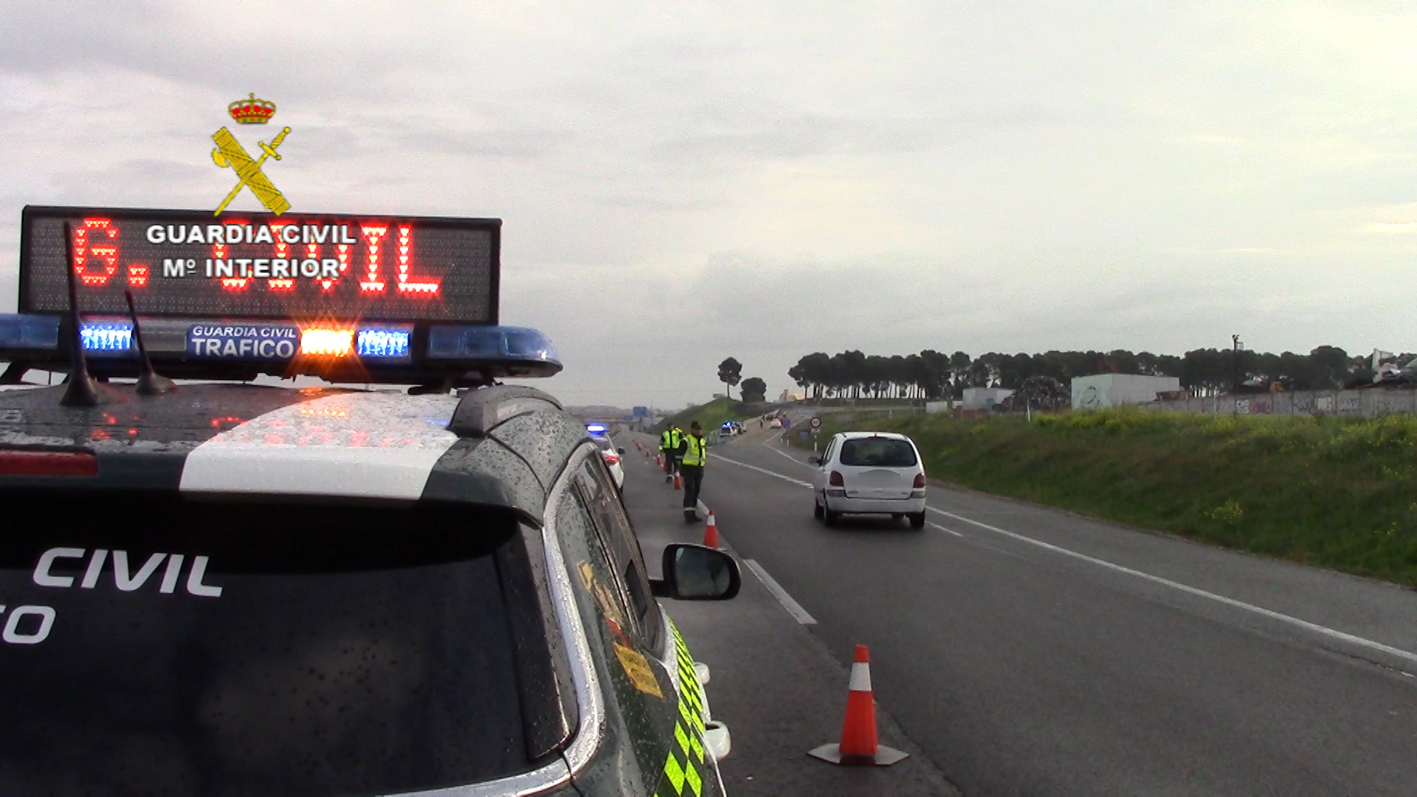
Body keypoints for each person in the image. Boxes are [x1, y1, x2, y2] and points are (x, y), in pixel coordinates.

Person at [678, 421, 707, 523]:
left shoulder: (702, 440)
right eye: (696, 429)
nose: (698, 431)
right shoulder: (686, 441)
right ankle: (688, 515)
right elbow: (679, 456)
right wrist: (680, 468)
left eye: (699, 429)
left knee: (696, 492)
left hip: (699, 469)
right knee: (690, 491)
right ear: (692, 429)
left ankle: (693, 513)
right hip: (689, 469)